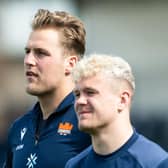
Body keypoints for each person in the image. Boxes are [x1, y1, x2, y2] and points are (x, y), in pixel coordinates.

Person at [3, 9, 91, 168]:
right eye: (27, 52)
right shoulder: (19, 127)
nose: (29, 61)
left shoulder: (90, 121)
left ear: (70, 64)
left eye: (41, 53)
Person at [65, 53, 168, 168]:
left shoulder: (155, 163)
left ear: (122, 100)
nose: (80, 101)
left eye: (90, 92)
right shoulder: (74, 165)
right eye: (77, 94)